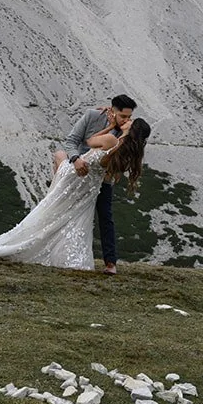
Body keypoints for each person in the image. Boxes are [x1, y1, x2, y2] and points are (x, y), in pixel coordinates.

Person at [0, 118, 150, 271]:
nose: (126, 120)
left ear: (131, 128)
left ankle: (52, 191)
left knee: (59, 155)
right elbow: (111, 175)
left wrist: (109, 127)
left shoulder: (111, 140)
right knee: (74, 217)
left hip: (75, 176)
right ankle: (66, 251)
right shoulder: (126, 153)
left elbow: (90, 141)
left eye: (129, 121)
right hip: (89, 185)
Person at [54, 94, 136, 273]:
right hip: (79, 171)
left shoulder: (125, 132)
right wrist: (75, 159)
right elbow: (72, 141)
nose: (127, 120)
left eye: (130, 117)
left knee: (105, 216)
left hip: (101, 179)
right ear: (112, 111)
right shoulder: (92, 116)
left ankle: (110, 263)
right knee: (65, 212)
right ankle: (58, 251)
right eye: (123, 116)